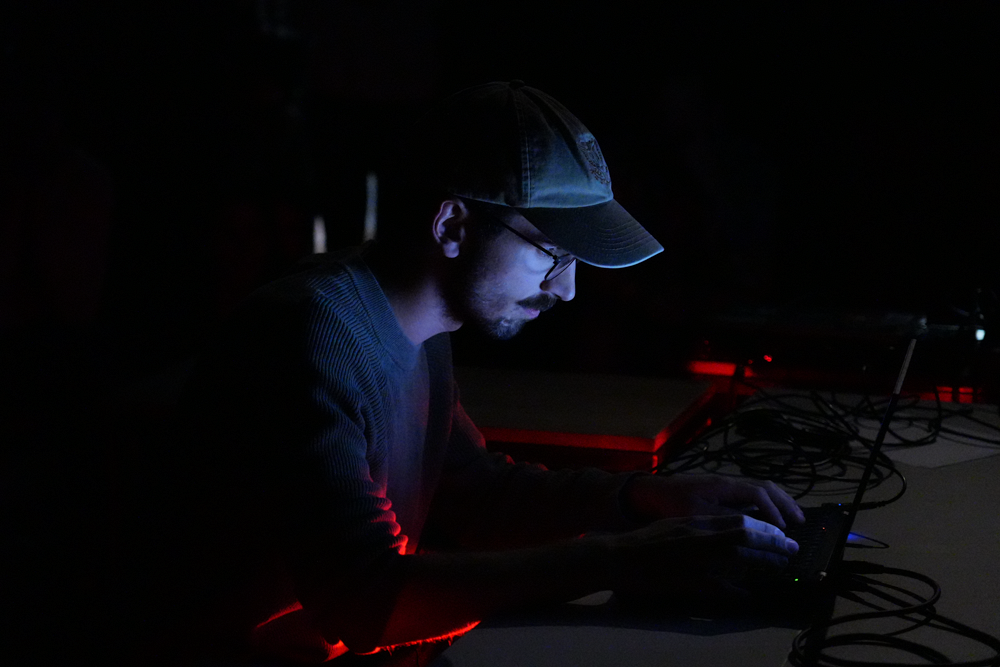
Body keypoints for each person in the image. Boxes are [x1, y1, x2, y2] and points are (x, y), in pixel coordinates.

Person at [151, 80, 804, 665]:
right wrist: (623, 558)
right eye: (551, 252)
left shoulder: (422, 329)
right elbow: (364, 600)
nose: (567, 289)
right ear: (453, 224)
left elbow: (476, 493)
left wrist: (639, 500)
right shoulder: (310, 337)